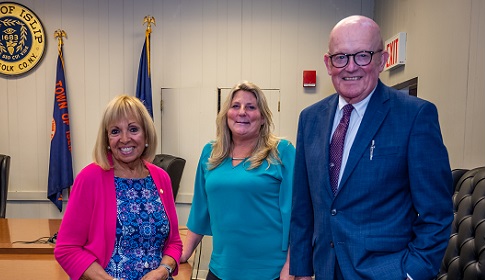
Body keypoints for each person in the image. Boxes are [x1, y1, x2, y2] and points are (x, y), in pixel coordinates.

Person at [289, 15, 453, 280]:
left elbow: (437, 212)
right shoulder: (310, 118)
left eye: (362, 56)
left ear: (382, 59)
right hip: (324, 271)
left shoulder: (415, 116)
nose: (350, 67)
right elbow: (303, 206)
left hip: (388, 272)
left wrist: (412, 273)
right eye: (341, 57)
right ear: (328, 63)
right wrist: (302, 270)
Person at [55, 95, 182, 280]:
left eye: (133, 129)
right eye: (115, 131)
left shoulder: (161, 178)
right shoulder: (89, 178)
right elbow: (67, 249)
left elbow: (174, 243)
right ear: (107, 138)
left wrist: (163, 270)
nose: (124, 139)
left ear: (146, 134)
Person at [180, 81, 296, 280]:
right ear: (226, 114)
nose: (242, 112)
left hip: (270, 272)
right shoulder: (211, 152)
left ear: (262, 118)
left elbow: (297, 215)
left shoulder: (281, 151)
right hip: (220, 270)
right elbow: (200, 209)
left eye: (251, 107)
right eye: (235, 106)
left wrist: (291, 268)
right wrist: (183, 254)